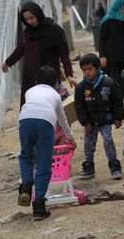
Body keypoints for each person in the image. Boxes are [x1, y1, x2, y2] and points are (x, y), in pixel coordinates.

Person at [16, 66, 77, 220]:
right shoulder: (56, 95)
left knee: (26, 155)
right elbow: (62, 120)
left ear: (36, 81)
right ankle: (39, 207)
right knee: (43, 163)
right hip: (45, 122)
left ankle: (26, 186)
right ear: (56, 83)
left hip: (25, 119)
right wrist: (70, 137)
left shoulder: (30, 91)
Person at [2, 2, 78, 107]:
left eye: (31, 18)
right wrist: (7, 63)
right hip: (30, 78)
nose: (29, 21)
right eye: (26, 19)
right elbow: (20, 50)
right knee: (31, 106)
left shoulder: (53, 29)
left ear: (38, 14)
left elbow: (64, 54)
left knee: (50, 107)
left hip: (48, 76)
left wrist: (69, 75)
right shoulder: (27, 32)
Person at [74, 53, 124, 180]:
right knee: (88, 144)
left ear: (97, 68)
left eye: (90, 69)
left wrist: (118, 118)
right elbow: (79, 107)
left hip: (105, 120)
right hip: (90, 123)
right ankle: (88, 167)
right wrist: (85, 123)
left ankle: (114, 166)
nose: (87, 72)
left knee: (108, 141)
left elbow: (117, 101)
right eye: (84, 70)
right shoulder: (81, 88)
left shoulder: (108, 83)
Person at [99, 0, 124, 95]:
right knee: (114, 83)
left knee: (123, 84)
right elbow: (102, 40)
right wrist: (102, 56)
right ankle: (114, 106)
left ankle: (119, 105)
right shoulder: (107, 21)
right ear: (118, 6)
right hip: (111, 58)